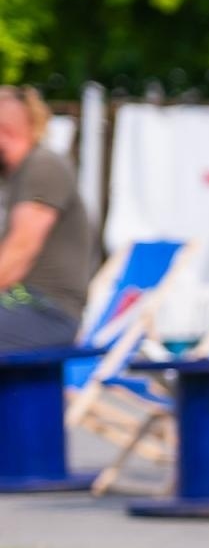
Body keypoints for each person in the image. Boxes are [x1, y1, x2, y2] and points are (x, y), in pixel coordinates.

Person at [0, 86, 93, 351]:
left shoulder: (43, 166)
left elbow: (19, 254)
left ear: (5, 132)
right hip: (22, 307)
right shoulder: (17, 176)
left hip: (47, 312)